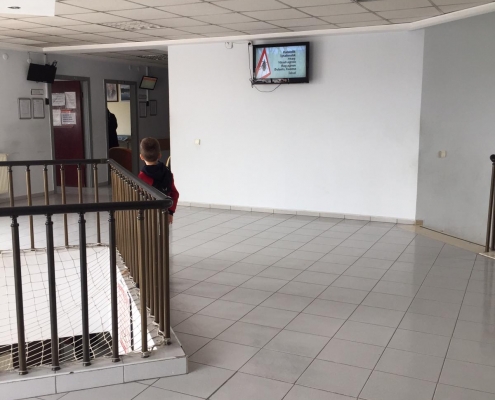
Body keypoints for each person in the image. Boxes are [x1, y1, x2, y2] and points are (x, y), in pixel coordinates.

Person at [138, 137, 179, 224]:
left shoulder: (142, 177)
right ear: (160, 155)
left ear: (141, 157)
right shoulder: (168, 173)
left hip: (147, 215)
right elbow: (175, 193)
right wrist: (170, 212)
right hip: (164, 211)